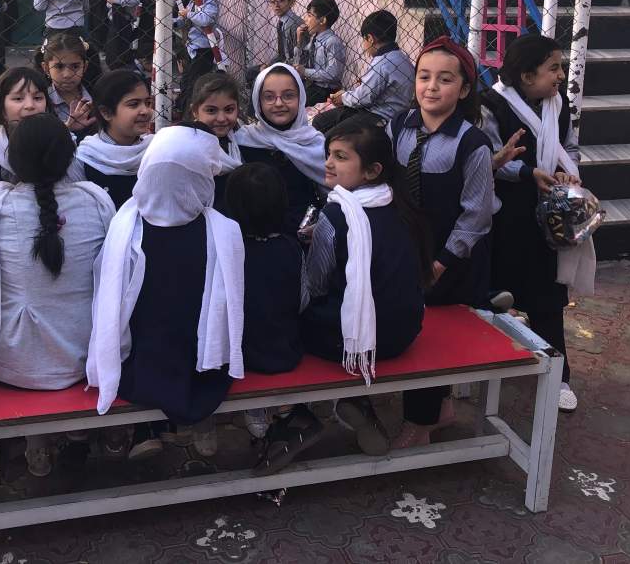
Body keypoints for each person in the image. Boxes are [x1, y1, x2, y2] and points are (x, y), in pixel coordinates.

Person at [0, 114, 116, 478]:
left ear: (13, 161)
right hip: (83, 357)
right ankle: (77, 433)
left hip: (14, 362)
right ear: (70, 157)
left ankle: (36, 441)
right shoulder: (97, 201)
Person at [258, 120, 428, 473]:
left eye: (341, 157)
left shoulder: (338, 213)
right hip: (403, 332)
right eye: (328, 155)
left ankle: (295, 417)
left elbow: (316, 286)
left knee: (281, 320)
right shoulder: (397, 203)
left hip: (355, 343)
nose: (329, 164)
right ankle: (353, 401)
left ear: (372, 170)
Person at [86, 124, 245, 460]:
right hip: (201, 368)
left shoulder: (125, 227)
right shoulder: (225, 230)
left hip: (141, 364)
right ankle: (194, 421)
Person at [387, 37, 502, 448]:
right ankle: (440, 408)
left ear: (465, 89)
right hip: (410, 249)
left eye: (445, 79)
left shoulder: (472, 143)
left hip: (453, 256)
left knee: (436, 336)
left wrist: (439, 263)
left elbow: (476, 214)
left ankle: (420, 422)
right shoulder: (398, 126)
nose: (431, 87)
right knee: (415, 326)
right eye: (424, 77)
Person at [482, 34, 590, 413]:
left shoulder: (559, 107)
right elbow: (489, 157)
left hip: (546, 219)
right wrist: (528, 172)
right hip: (505, 215)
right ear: (527, 76)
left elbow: (570, 148)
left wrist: (565, 173)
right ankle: (482, 365)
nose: (560, 75)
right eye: (553, 68)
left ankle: (559, 377)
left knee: (547, 300)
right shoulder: (491, 105)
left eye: (560, 67)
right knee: (496, 293)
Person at [226, 163, 303, 440]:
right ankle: (287, 410)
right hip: (287, 350)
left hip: (240, 356)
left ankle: (258, 409)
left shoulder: (229, 251)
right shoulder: (290, 248)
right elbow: (303, 298)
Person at [236, 65, 327, 236]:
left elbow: (332, 193)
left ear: (300, 99)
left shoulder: (314, 143)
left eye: (288, 96)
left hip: (302, 234)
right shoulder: (244, 140)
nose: (279, 103)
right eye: (269, 97)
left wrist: (321, 224)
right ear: (258, 101)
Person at [315, 9, 414, 132]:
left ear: (370, 38)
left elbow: (363, 98)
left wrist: (343, 97)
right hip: (391, 112)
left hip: (379, 116)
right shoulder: (401, 57)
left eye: (363, 40)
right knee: (323, 120)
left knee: (329, 132)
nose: (364, 45)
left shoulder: (381, 63)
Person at [68, 71, 154, 209]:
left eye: (148, 103)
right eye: (133, 104)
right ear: (106, 112)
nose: (145, 111)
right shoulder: (84, 159)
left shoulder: (155, 151)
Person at [0, 67, 49, 193]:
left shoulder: (62, 144)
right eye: (18, 99)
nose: (30, 106)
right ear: (2, 108)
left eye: (37, 98)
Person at [186, 72, 244, 216]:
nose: (221, 118)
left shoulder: (240, 141)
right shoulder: (188, 150)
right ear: (195, 111)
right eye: (211, 110)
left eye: (229, 110)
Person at [173, 0, 221, 119]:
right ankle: (182, 112)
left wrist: (188, 14)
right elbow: (183, 19)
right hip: (191, 47)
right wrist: (170, 22)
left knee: (194, 85)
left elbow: (206, 20)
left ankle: (188, 117)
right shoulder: (193, 0)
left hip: (203, 49)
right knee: (186, 82)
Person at [35, 33, 97, 137]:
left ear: (85, 67)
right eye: (59, 66)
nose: (67, 75)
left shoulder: (97, 97)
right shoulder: (40, 101)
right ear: (46, 68)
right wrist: (66, 128)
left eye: (75, 66)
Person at [296, 0, 346, 106]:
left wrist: (305, 72)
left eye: (309, 16)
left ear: (322, 20)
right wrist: (299, 42)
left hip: (325, 91)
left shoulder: (332, 42)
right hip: (312, 86)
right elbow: (300, 62)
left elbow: (333, 75)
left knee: (296, 103)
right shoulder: (314, 38)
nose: (305, 19)